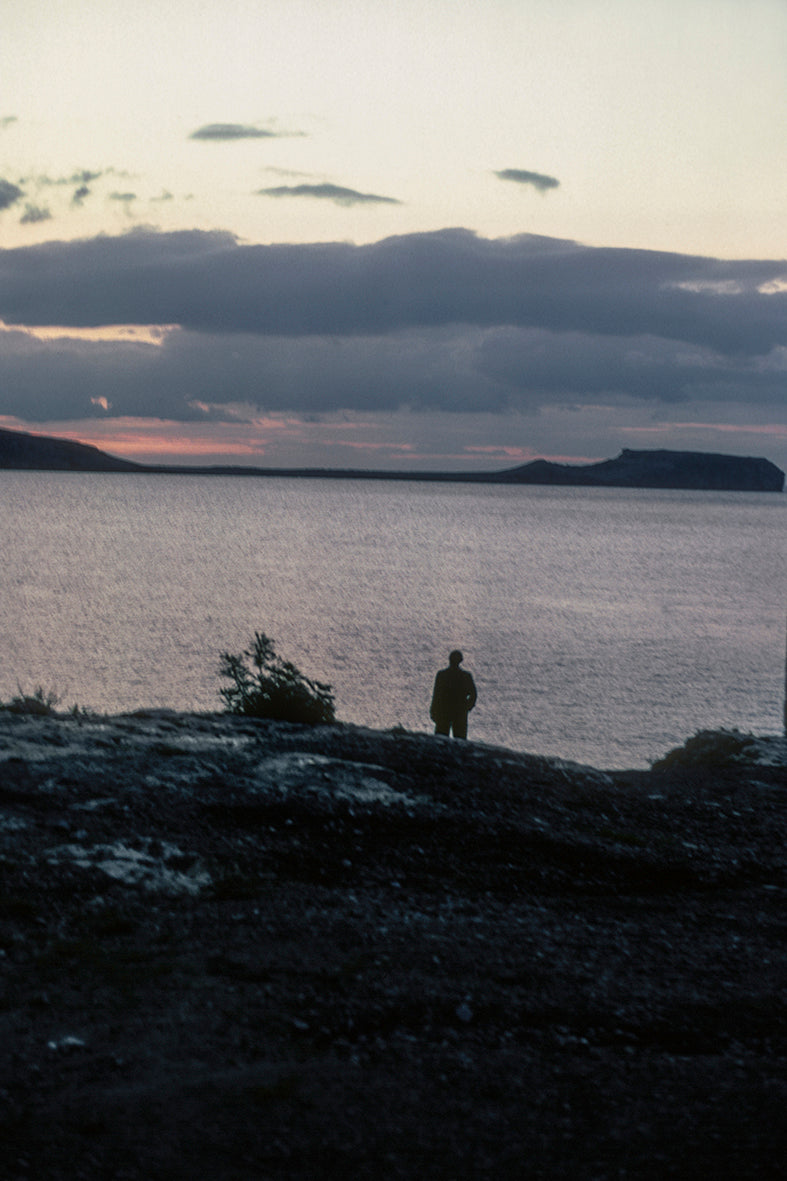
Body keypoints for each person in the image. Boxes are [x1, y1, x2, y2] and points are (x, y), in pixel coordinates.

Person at [430, 650, 477, 739]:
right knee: (459, 739)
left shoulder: (442, 675)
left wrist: (433, 710)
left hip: (444, 711)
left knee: (441, 739)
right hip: (457, 712)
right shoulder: (465, 676)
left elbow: (436, 695)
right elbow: (473, 695)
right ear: (461, 660)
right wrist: (466, 707)